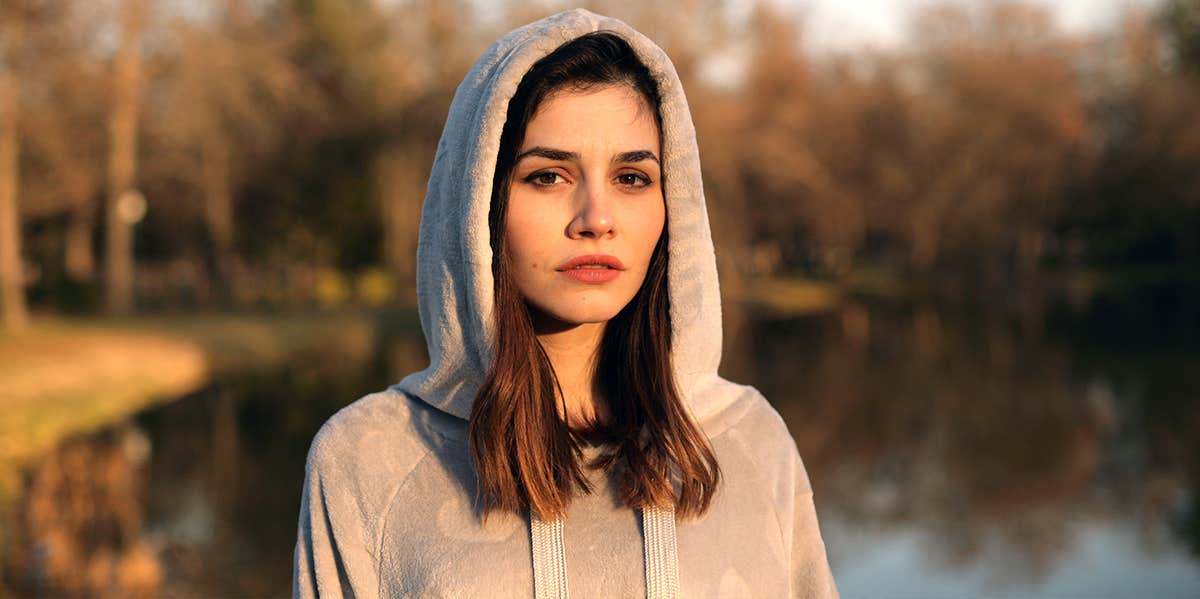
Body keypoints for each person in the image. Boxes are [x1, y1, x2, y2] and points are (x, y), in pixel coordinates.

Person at [292, 8, 838, 599]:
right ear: (481, 202)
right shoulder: (367, 458)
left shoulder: (750, 441)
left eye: (632, 178)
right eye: (548, 176)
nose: (597, 219)